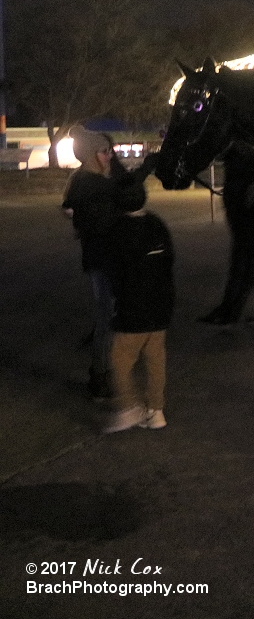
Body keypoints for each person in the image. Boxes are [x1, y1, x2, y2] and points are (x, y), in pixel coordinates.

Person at [61, 127, 150, 401]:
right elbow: (125, 191)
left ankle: (104, 374)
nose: (109, 156)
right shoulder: (90, 183)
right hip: (103, 259)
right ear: (90, 155)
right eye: (103, 152)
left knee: (109, 316)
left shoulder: (90, 179)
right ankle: (100, 376)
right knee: (106, 319)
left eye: (109, 151)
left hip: (106, 258)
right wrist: (145, 170)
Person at [101, 201, 175, 433]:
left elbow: (114, 269)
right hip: (161, 305)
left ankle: (129, 406)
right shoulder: (156, 223)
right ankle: (156, 410)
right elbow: (169, 259)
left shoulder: (119, 229)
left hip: (133, 308)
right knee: (155, 359)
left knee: (120, 359)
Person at [197, 142, 254, 326]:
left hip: (252, 221)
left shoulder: (242, 156)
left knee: (243, 265)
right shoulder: (239, 154)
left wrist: (242, 217)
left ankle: (230, 312)